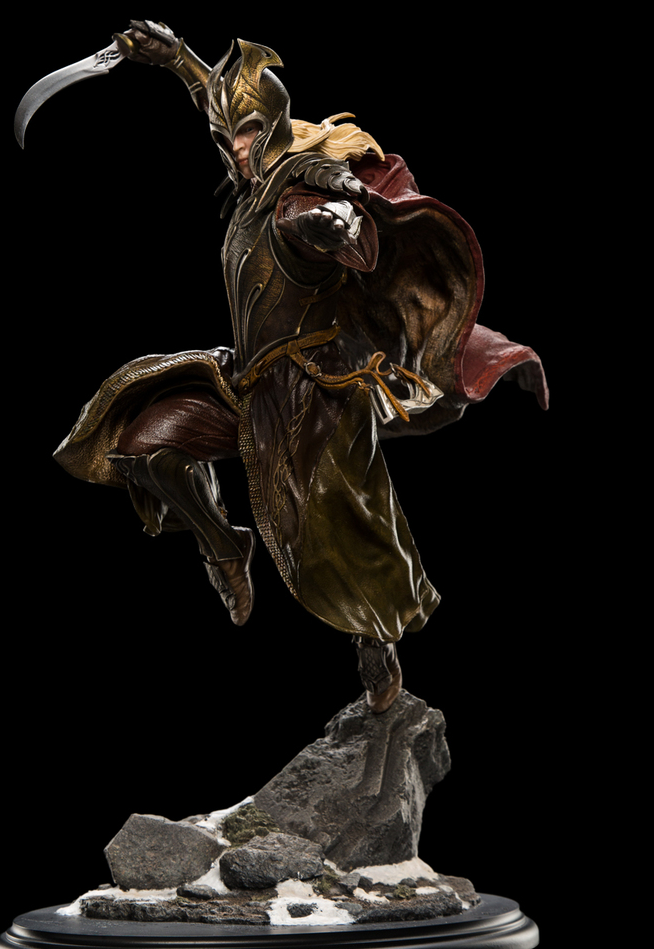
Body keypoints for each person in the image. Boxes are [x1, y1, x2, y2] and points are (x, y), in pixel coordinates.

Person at [54, 21, 548, 713]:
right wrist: (178, 60)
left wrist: (337, 220)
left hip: (317, 397)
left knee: (343, 535)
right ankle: (225, 546)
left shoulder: (293, 194)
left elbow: (329, 208)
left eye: (252, 135)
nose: (239, 149)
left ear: (278, 132)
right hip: (248, 380)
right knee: (146, 446)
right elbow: (223, 110)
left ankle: (376, 647)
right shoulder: (251, 190)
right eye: (229, 139)